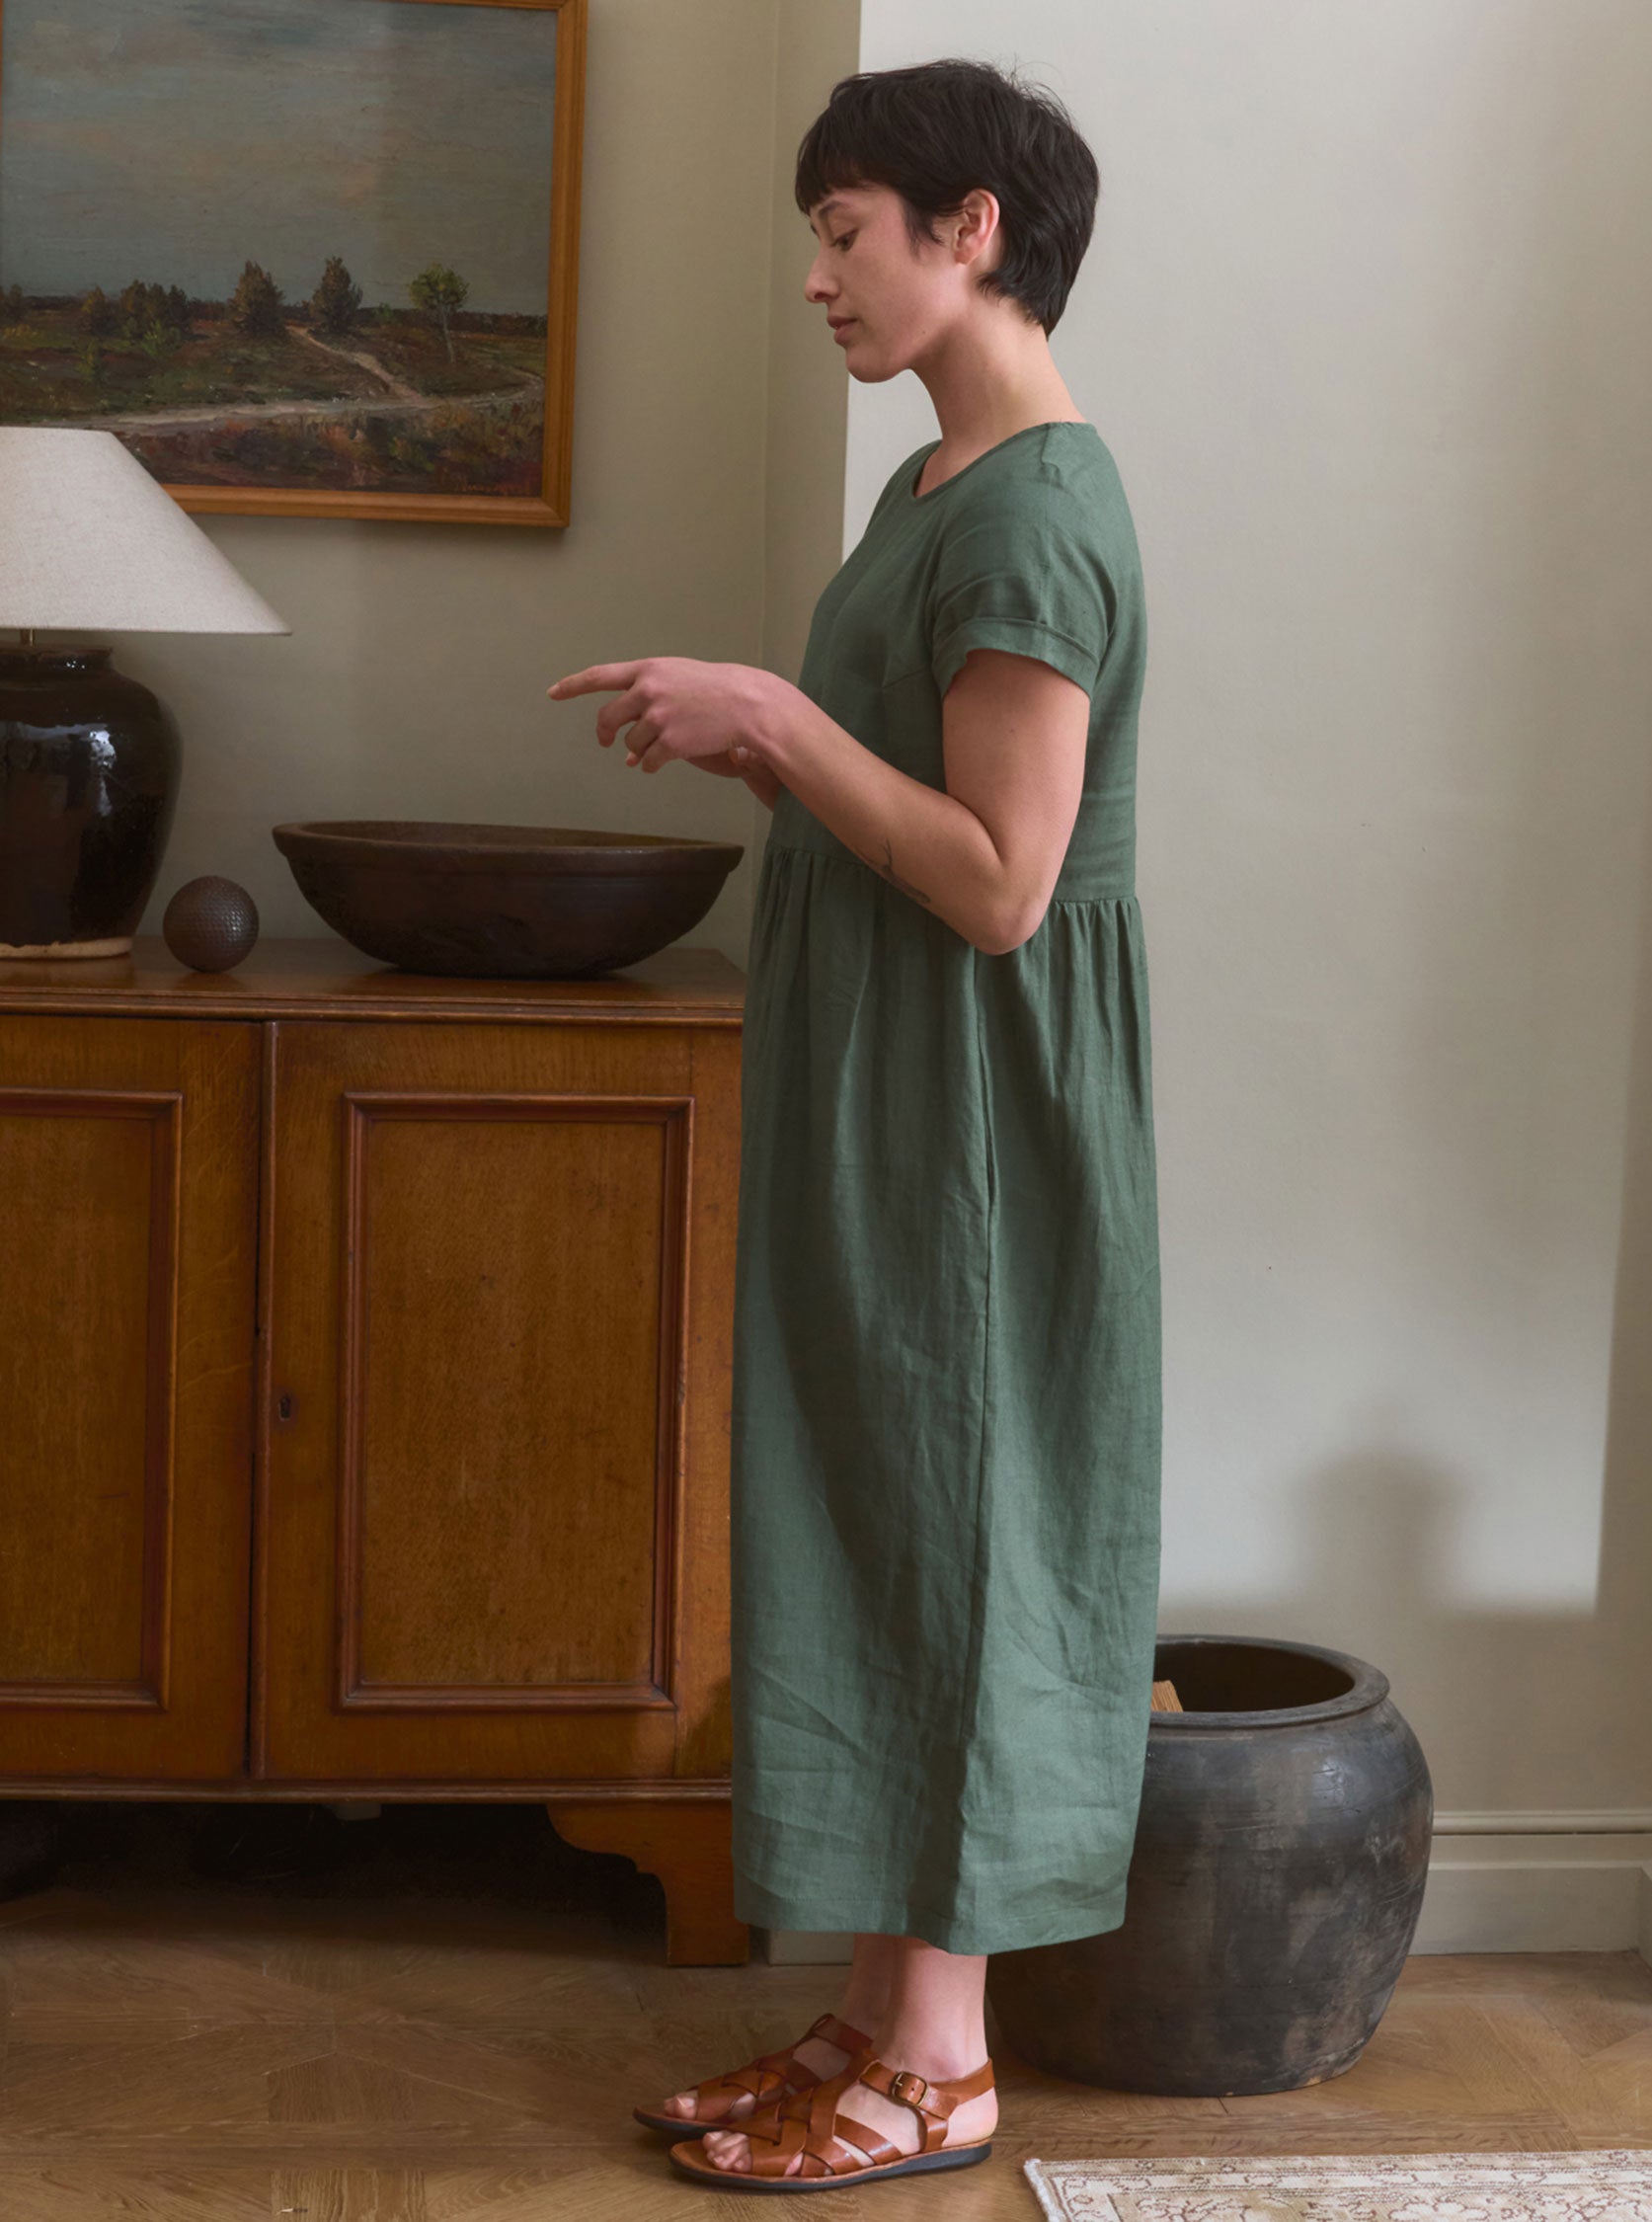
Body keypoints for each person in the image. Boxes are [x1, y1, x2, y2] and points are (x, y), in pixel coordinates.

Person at [547, 53, 1162, 2194]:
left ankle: (946, 2059)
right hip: (887, 1076)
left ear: (968, 228)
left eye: (843, 226)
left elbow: (1004, 880)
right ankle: (882, 2015)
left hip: (973, 1114)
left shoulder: (1039, 511)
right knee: (880, 1505)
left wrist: (784, 719)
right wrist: (760, 741)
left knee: (964, 1520)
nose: (818, 274)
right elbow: (910, 807)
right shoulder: (932, 495)